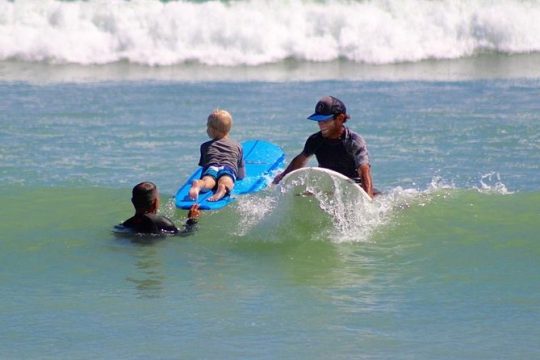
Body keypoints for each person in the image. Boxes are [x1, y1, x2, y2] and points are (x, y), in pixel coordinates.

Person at [273, 96, 375, 198]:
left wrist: (368, 199)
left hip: (354, 187)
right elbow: (300, 160)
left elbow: (364, 171)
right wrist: (282, 177)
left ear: (340, 118)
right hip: (328, 186)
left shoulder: (354, 141)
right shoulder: (315, 140)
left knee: (377, 195)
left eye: (325, 121)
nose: (321, 125)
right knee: (300, 196)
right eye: (319, 120)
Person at [189, 109, 245, 202]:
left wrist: (203, 178)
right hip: (228, 168)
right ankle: (222, 188)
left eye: (207, 127)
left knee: (209, 180)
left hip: (212, 167)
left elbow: (204, 167)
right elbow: (241, 173)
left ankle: (199, 184)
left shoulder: (205, 146)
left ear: (213, 130)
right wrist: (239, 177)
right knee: (226, 180)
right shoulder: (237, 146)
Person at [119, 181, 200, 235]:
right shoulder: (162, 222)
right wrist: (192, 220)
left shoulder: (127, 224)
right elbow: (184, 234)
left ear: (133, 201)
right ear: (155, 203)